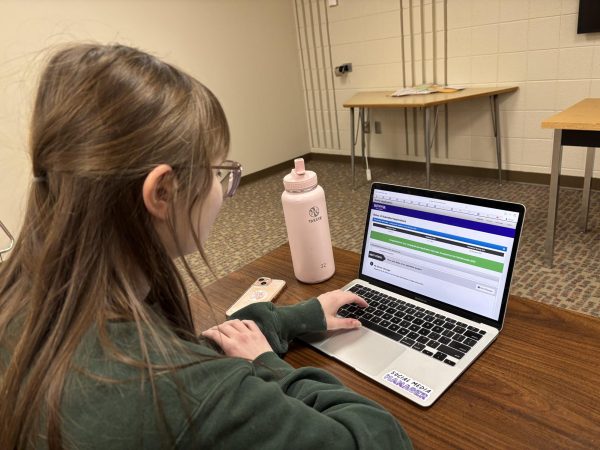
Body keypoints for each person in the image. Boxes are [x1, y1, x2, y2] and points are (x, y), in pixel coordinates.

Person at [0, 43, 412, 449]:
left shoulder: (22, 299)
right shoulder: (184, 396)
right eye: (220, 170)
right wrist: (265, 364)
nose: (224, 189)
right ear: (162, 191)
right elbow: (380, 438)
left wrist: (295, 318)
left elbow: (182, 360)